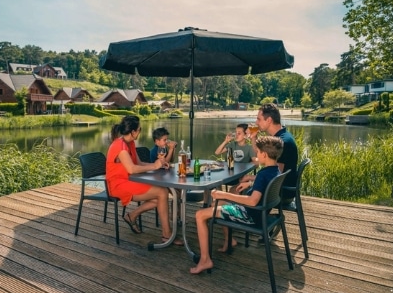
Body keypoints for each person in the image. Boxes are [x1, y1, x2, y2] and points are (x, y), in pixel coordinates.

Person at [189, 135, 284, 275]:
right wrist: (250, 183)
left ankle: (205, 260)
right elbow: (263, 185)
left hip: (249, 215)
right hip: (258, 213)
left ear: (264, 154)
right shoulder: (275, 170)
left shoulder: (263, 174)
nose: (256, 155)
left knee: (200, 215)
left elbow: (252, 201)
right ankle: (229, 240)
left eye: (257, 152)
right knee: (217, 204)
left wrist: (224, 194)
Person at [105, 115, 178, 244]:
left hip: (129, 180)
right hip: (118, 185)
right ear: (133, 132)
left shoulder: (130, 143)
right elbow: (132, 169)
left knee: (159, 199)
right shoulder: (120, 146)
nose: (140, 131)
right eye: (139, 129)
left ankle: (131, 216)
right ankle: (167, 235)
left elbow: (139, 163)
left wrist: (157, 165)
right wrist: (154, 166)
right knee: (162, 192)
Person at [252, 103, 298, 199]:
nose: (256, 122)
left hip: (280, 193)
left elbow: (275, 178)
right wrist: (254, 138)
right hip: (279, 188)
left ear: (269, 120)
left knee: (236, 190)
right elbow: (261, 154)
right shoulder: (280, 137)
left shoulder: (282, 143)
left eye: (259, 119)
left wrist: (250, 180)